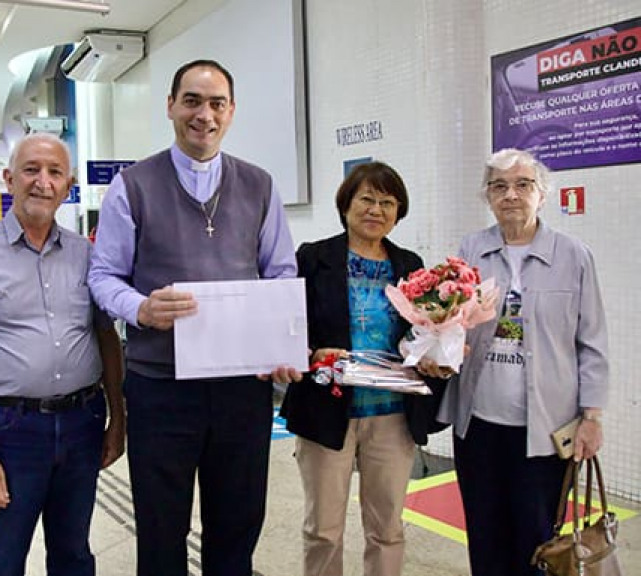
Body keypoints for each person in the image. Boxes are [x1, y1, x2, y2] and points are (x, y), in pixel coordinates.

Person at [88, 59, 301, 576]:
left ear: (231, 113)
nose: (203, 115)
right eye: (192, 101)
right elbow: (102, 276)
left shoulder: (260, 185)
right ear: (170, 106)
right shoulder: (132, 186)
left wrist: (279, 344)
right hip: (161, 387)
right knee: (161, 530)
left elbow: (281, 271)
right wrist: (139, 307)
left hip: (240, 390)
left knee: (238, 522)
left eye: (216, 103)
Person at [0, 132, 125, 576]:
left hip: (82, 421)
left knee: (74, 553)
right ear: (9, 179)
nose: (42, 182)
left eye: (54, 173)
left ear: (67, 187)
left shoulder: (88, 256)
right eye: (31, 170)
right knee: (5, 557)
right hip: (11, 430)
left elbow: (106, 339)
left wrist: (118, 420)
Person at [437, 148, 609, 576]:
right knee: (484, 532)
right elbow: (451, 323)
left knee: (538, 539)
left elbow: (592, 343)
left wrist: (592, 416)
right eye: (499, 186)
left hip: (546, 432)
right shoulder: (471, 250)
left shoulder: (574, 256)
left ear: (542, 194)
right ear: (488, 197)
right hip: (477, 426)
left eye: (522, 185)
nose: (510, 195)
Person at [279, 162, 447, 576]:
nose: (376, 210)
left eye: (387, 202)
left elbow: (424, 332)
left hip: (392, 413)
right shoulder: (313, 257)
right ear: (347, 204)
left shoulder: (411, 264)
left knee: (387, 528)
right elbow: (285, 324)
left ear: (398, 211)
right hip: (327, 407)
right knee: (324, 528)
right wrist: (311, 353)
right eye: (367, 199)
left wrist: (435, 355)